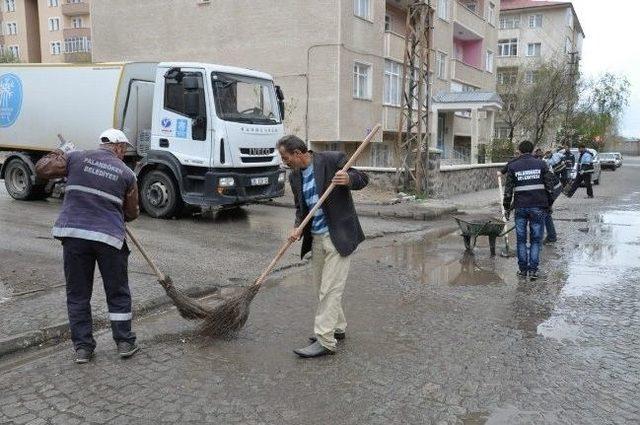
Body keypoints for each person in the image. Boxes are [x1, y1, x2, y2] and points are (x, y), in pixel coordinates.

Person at [35, 129, 140, 364]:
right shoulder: (127, 174)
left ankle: (83, 348)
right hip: (109, 239)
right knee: (117, 292)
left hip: (74, 235)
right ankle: (124, 342)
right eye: (125, 149)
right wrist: (117, 209)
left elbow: (42, 168)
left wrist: (62, 151)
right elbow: (132, 213)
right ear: (119, 148)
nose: (125, 154)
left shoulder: (75, 158)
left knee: (78, 294)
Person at [276, 135, 368, 358]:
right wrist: (297, 227)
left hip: (338, 236)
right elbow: (301, 209)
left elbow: (362, 178)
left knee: (330, 289)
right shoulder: (295, 177)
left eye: (285, 157)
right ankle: (338, 328)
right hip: (316, 238)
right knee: (321, 289)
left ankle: (325, 340)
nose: (284, 161)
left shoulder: (331, 159)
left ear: (298, 153)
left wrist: (348, 178)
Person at [503, 140, 556, 280]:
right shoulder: (542, 164)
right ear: (533, 151)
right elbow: (549, 187)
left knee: (521, 240)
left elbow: (508, 191)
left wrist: (506, 208)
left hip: (520, 207)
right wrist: (549, 204)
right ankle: (533, 271)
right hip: (538, 207)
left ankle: (522, 270)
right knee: (535, 240)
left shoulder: (513, 166)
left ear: (519, 151)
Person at [542, 149, 565, 244]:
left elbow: (549, 189)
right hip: (552, 187)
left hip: (554, 188)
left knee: (545, 211)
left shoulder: (542, 170)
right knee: (545, 209)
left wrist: (549, 204)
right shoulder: (537, 165)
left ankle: (552, 236)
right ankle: (551, 235)